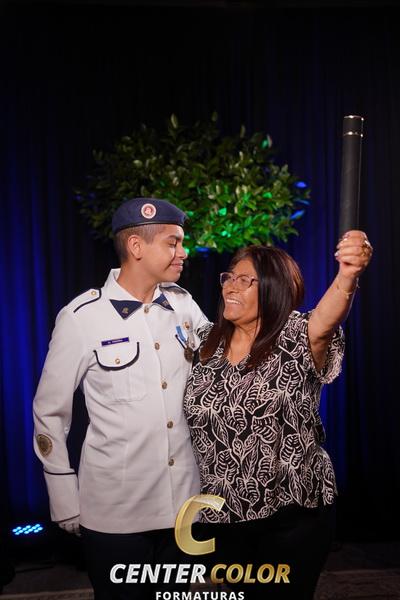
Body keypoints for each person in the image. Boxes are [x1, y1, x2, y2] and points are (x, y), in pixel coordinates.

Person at [33, 197, 209, 599]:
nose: (183, 252)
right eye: (173, 242)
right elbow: (49, 412)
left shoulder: (183, 305)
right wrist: (64, 497)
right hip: (116, 513)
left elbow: (225, 357)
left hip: (183, 506)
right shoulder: (82, 317)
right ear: (136, 246)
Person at [184, 231, 373, 599]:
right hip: (222, 515)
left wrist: (348, 274)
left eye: (245, 280)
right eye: (229, 277)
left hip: (290, 516)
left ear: (273, 289)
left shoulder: (297, 336)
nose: (230, 287)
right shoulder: (206, 343)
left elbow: (327, 319)